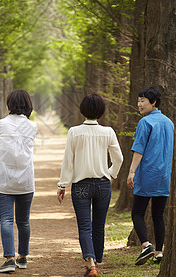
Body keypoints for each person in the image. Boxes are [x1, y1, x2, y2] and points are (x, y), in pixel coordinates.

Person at [57, 93, 123, 277]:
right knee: (99, 226)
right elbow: (119, 158)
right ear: (101, 111)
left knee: (85, 226)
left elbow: (68, 161)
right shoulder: (108, 132)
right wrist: (110, 174)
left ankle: (90, 263)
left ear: (82, 110)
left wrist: (62, 185)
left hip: (81, 185)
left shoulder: (74, 132)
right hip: (103, 184)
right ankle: (97, 261)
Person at [0, 90, 38, 273]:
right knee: (23, 221)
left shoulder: (1, 124)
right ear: (28, 106)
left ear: (9, 105)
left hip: (3, 180)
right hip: (25, 180)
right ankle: (23, 258)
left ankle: (9, 259)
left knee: (6, 219)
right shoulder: (33, 126)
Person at [127, 87, 174, 266]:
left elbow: (139, 149)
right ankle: (159, 253)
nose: (139, 104)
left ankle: (146, 245)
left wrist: (132, 171)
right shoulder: (169, 122)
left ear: (153, 102)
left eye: (143, 101)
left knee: (137, 212)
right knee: (158, 215)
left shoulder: (145, 122)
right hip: (164, 175)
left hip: (147, 173)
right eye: (138, 100)